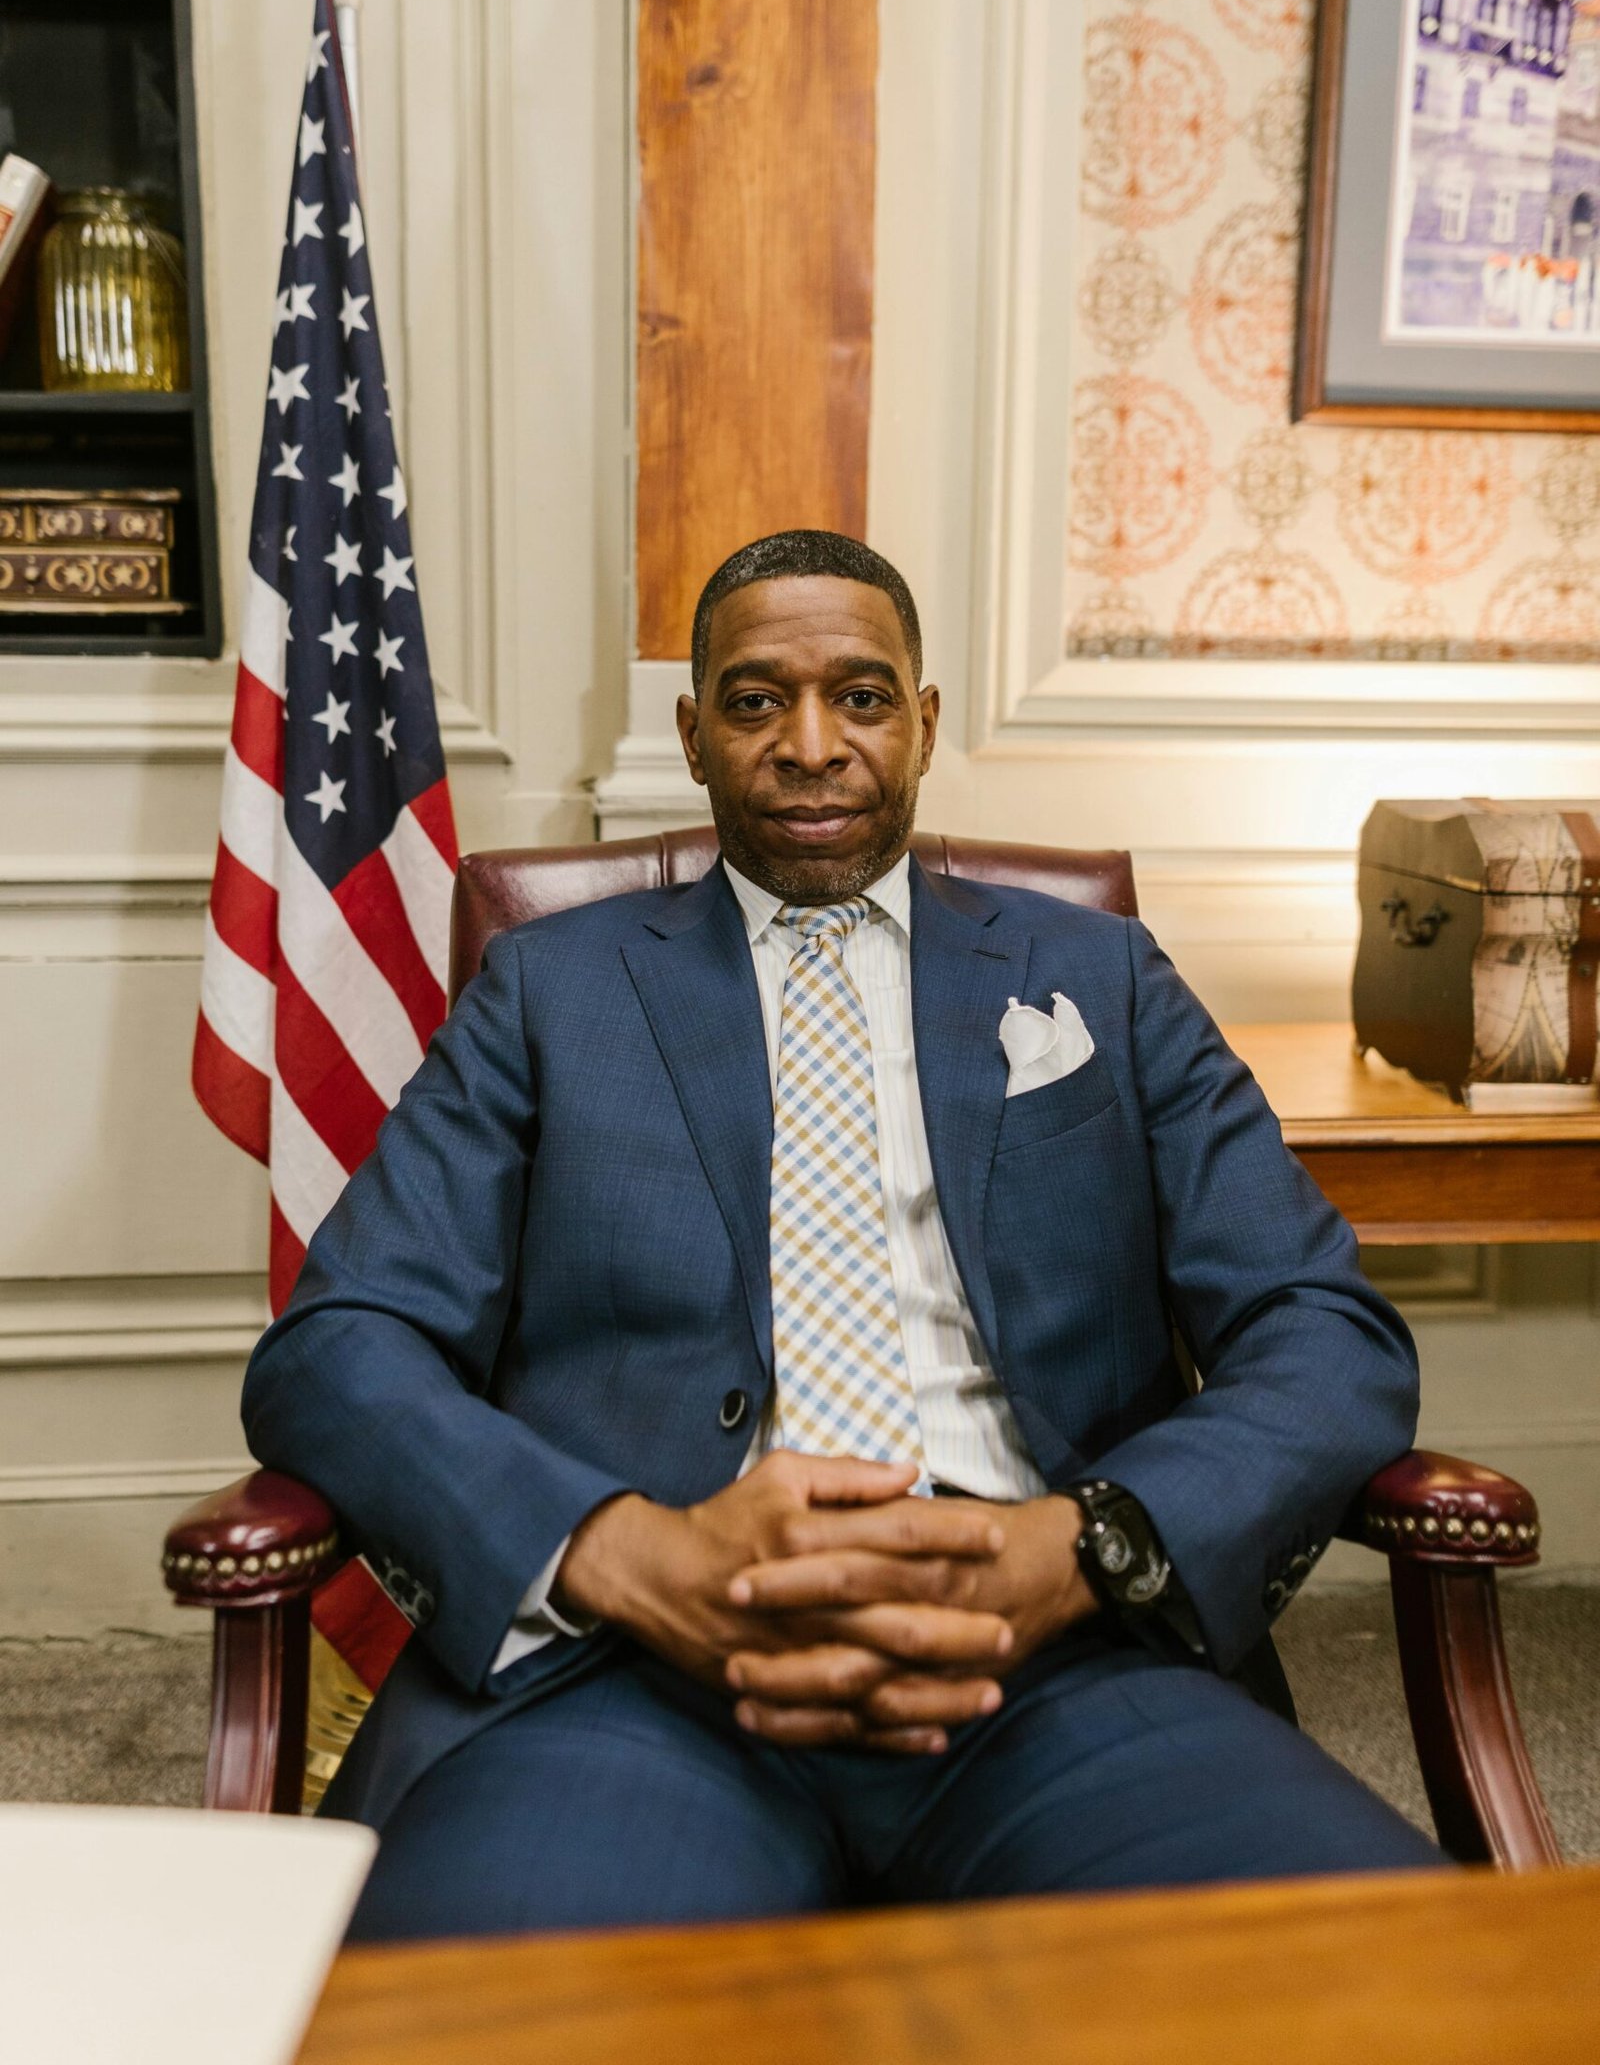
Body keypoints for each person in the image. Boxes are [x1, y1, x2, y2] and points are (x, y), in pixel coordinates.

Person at [241, 529, 1441, 1942]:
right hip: (637, 1677)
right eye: (756, 702)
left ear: (922, 723)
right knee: (479, 2020)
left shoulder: (1095, 977)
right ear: (694, 736)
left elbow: (1322, 1328)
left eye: (862, 697)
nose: (812, 743)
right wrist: (623, 1553)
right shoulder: (547, 992)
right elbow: (340, 1345)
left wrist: (1087, 1545)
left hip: (1054, 1657)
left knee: (1397, 1986)